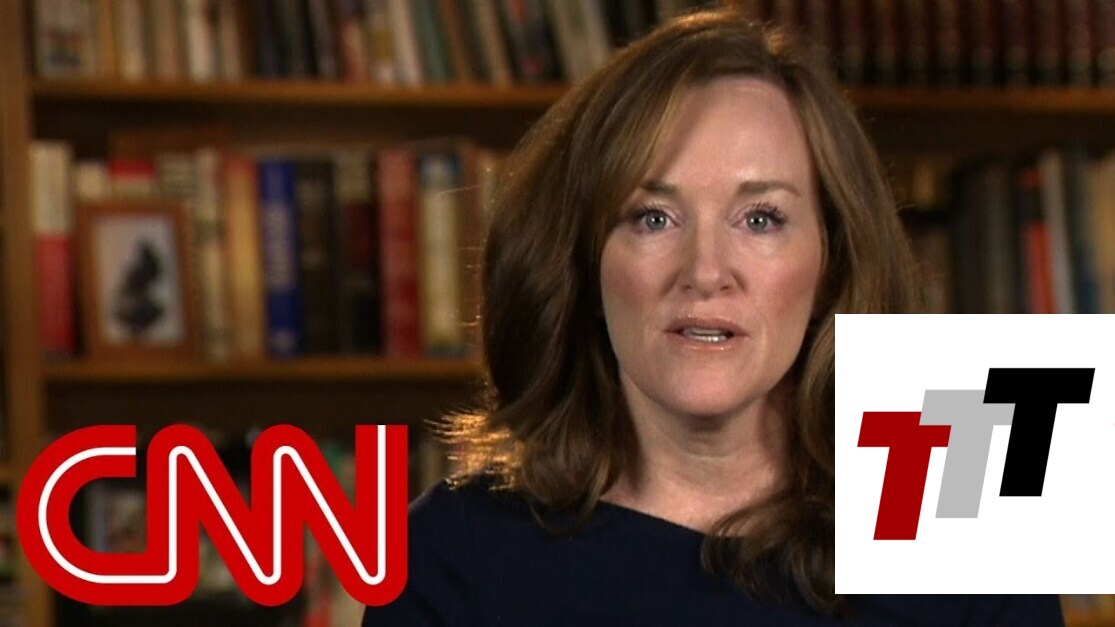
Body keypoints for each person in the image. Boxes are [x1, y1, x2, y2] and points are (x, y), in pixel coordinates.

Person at [363, 7, 1064, 626]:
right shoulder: (450, 552)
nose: (704, 271)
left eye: (760, 218)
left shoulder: (971, 523)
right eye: (652, 217)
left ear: (831, 260)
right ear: (582, 258)